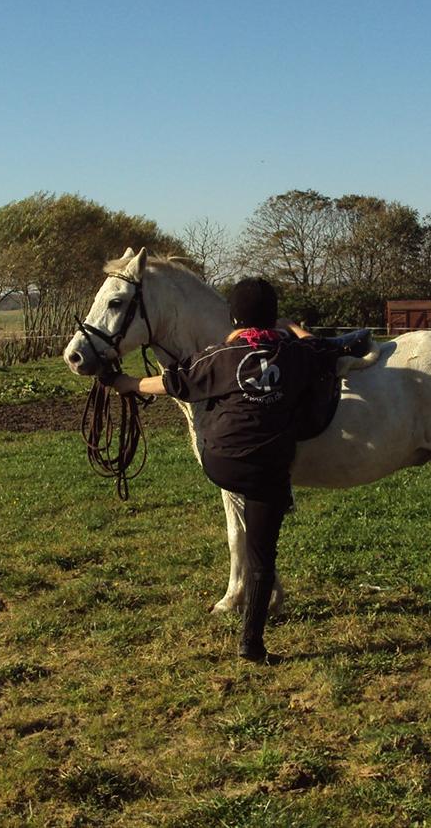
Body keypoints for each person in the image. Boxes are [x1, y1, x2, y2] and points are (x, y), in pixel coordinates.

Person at [103, 277, 345, 663]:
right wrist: (294, 327)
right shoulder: (297, 355)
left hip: (221, 463)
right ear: (273, 319)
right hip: (266, 468)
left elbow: (174, 383)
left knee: (246, 503)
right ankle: (252, 644)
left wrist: (126, 382)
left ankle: (243, 583)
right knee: (262, 557)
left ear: (233, 318)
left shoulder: (216, 356)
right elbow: (318, 347)